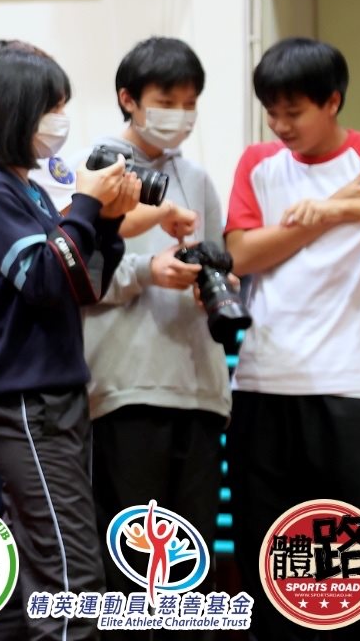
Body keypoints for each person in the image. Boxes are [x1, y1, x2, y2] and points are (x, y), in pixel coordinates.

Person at [0, 41, 139, 641]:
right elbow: (41, 278)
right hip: (25, 403)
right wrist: (84, 202)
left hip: (53, 397)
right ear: (16, 112)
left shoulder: (26, 190)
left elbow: (82, 285)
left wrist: (108, 223)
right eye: (51, 108)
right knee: (72, 580)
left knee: (40, 571)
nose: (61, 121)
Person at [225, 37, 360, 640]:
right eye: (271, 112)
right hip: (265, 383)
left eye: (293, 112)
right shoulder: (258, 163)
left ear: (332, 102)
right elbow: (241, 253)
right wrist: (334, 207)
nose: (280, 126)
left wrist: (340, 209)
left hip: (359, 385)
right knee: (272, 554)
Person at [72, 37, 231, 624]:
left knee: (193, 579)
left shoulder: (198, 179)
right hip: (124, 391)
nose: (180, 116)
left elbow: (216, 263)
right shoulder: (92, 174)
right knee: (131, 574)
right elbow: (78, 278)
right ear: (129, 100)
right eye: (166, 101)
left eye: (190, 104)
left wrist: (211, 283)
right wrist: (147, 272)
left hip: (199, 390)